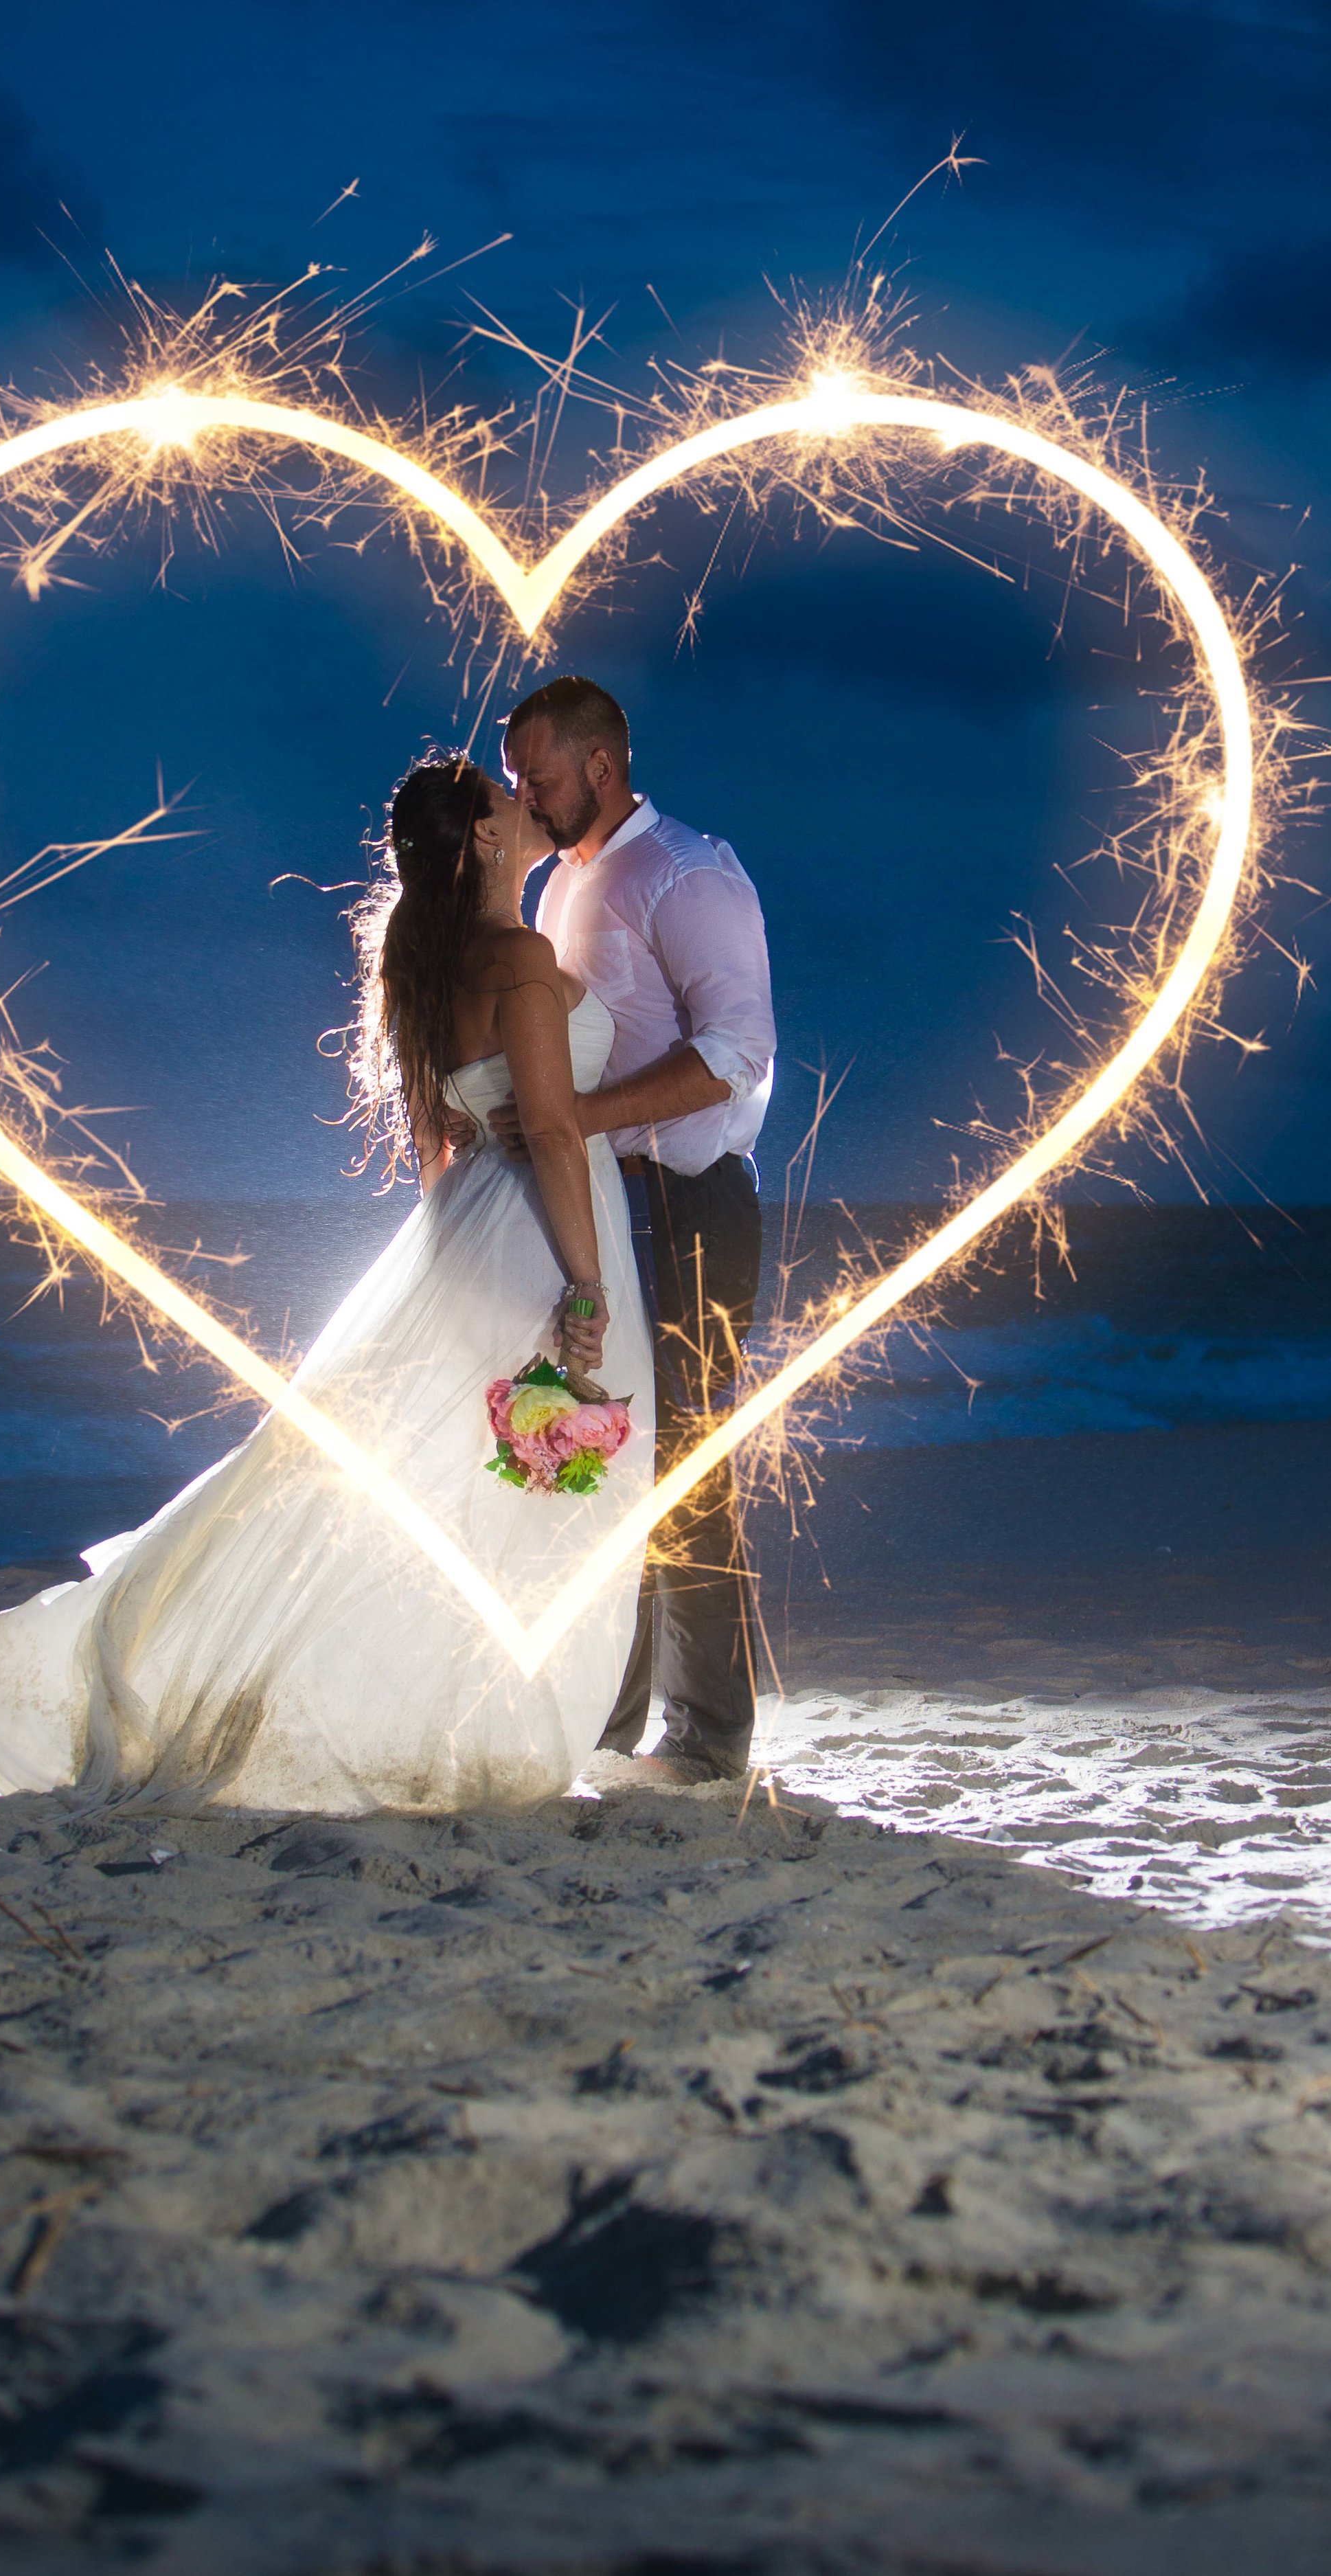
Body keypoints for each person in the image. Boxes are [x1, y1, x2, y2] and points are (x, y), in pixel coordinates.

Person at [0, 756, 654, 1816]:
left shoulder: (431, 964)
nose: (522, 798)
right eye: (504, 798)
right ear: (487, 841)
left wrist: (448, 1257)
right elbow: (546, 1127)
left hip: (473, 1231)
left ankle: (458, 1706)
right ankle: (482, 1718)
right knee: (531, 1478)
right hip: (546, 1229)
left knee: (470, 1473)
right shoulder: (519, 956)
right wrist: (584, 1288)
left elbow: (438, 1149)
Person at [499, 676, 775, 1786]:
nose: (528, 791)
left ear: (601, 765)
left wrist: (576, 1119)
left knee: (687, 1473)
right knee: (600, 1465)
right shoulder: (564, 884)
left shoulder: (688, 874)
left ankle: (710, 1733)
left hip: (693, 1208)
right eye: (518, 775)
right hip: (607, 1213)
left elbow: (735, 1053)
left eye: (542, 773)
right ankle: (605, 1722)